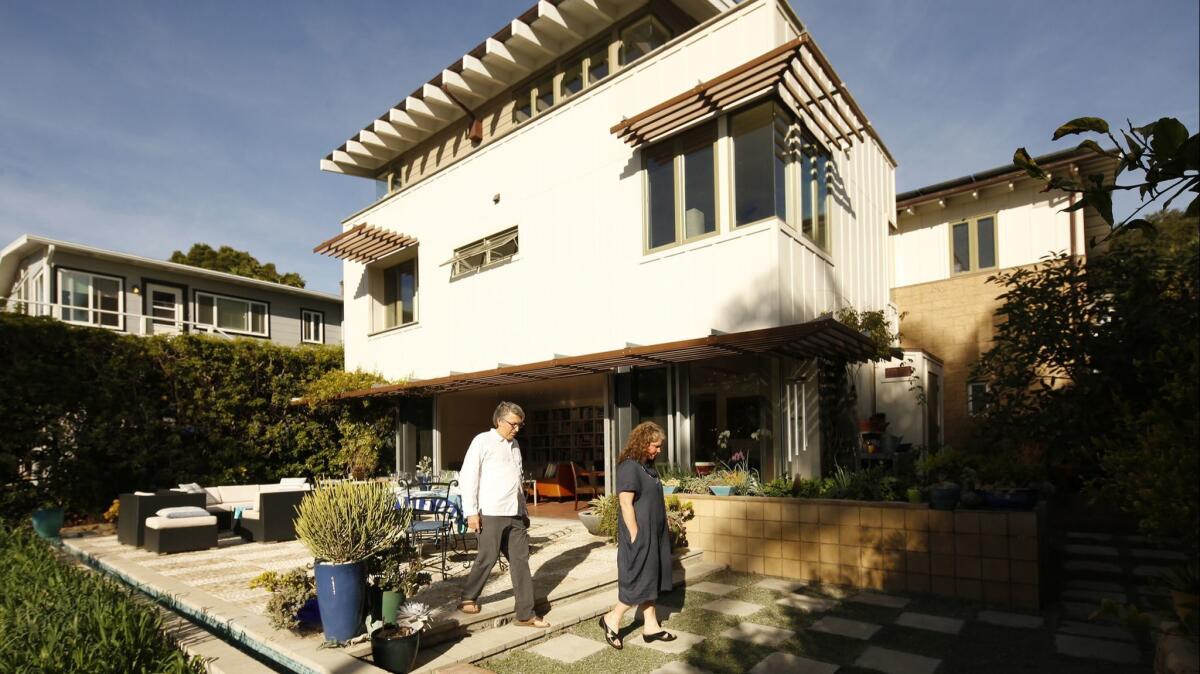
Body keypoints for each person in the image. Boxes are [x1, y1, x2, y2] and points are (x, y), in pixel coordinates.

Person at [456, 401, 550, 628]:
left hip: (515, 513)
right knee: (487, 558)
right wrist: (471, 513)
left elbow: (517, 481)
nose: (517, 429)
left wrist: (524, 511)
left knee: (520, 561)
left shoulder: (515, 445)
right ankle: (468, 597)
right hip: (490, 512)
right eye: (514, 424)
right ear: (499, 421)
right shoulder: (482, 441)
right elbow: (469, 477)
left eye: (520, 425)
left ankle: (525, 614)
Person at [598, 421, 675, 649]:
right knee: (637, 577)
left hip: (654, 533)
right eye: (655, 445)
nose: (658, 450)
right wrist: (634, 534)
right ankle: (612, 618)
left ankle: (651, 626)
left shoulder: (647, 467)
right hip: (640, 533)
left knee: (651, 576)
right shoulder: (629, 466)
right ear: (643, 443)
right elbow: (625, 502)